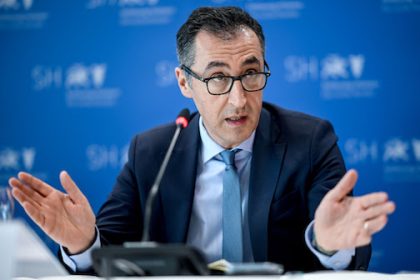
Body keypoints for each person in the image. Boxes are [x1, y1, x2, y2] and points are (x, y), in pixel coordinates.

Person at [9, 6, 395, 273]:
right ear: (184, 83)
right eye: (217, 78)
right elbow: (107, 254)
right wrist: (83, 243)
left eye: (251, 73)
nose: (239, 98)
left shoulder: (310, 140)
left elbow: (347, 249)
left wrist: (328, 244)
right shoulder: (153, 152)